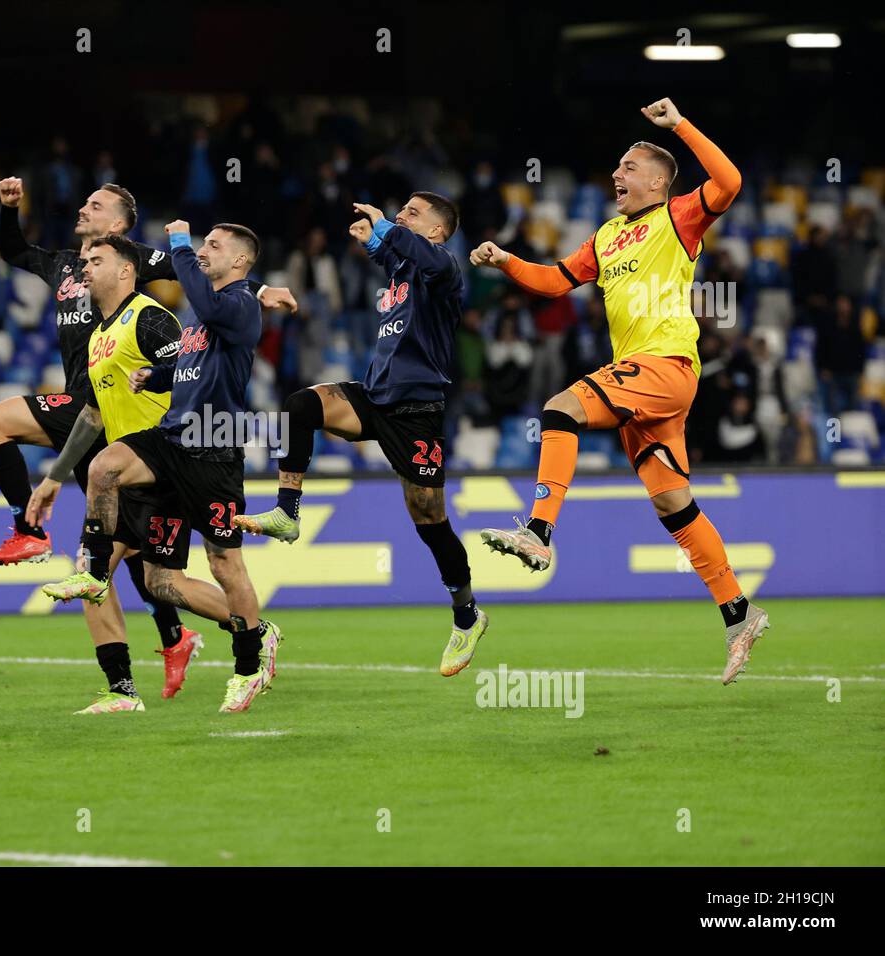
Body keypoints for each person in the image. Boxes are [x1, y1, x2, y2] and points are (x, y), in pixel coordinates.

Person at [469, 97, 767, 684]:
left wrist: (679, 124)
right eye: (617, 169)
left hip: (664, 365)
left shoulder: (679, 218)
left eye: (628, 168)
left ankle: (539, 530)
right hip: (645, 384)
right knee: (671, 503)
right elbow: (555, 281)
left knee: (561, 409)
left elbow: (729, 182)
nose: (616, 176)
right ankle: (739, 613)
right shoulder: (607, 235)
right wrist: (506, 261)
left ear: (657, 179)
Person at [236, 194, 488, 678]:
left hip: (418, 410)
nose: (401, 216)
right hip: (374, 397)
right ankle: (288, 513)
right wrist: (374, 241)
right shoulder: (404, 270)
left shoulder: (445, 269)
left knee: (429, 521)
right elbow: (396, 255)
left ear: (437, 231)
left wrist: (383, 232)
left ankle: (467, 614)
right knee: (301, 404)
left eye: (414, 214)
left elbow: (421, 257)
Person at [41, 221, 282, 714]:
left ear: (239, 261)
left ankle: (249, 660)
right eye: (200, 244)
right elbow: (192, 370)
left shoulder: (237, 305)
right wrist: (156, 375)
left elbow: (208, 304)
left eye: (213, 245)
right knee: (108, 473)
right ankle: (92, 569)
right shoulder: (198, 318)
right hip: (174, 437)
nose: (201, 251)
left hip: (213, 443)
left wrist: (177, 245)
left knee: (223, 563)